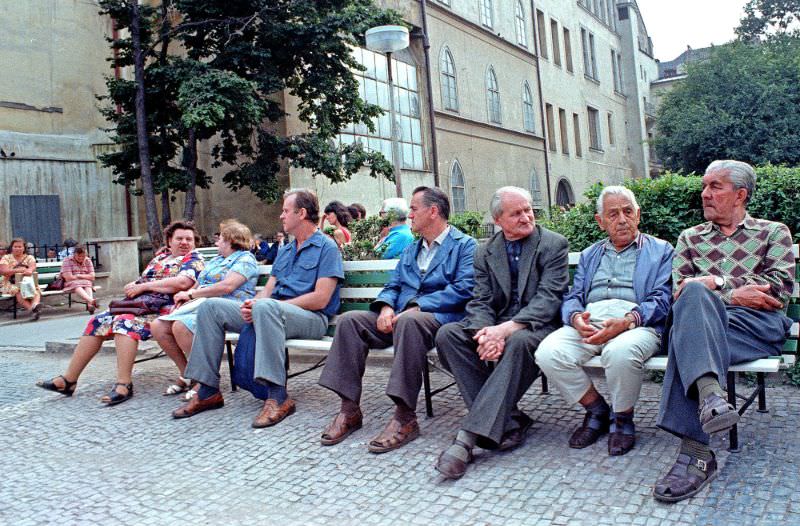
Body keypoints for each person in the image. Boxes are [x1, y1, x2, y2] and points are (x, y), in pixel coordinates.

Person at [652, 160, 794, 502]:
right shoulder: (690, 237)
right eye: (704, 186)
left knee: (691, 334)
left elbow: (778, 290)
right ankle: (710, 402)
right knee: (695, 301)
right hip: (699, 320)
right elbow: (680, 291)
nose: (705, 194)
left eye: (715, 186)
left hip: (754, 327)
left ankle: (698, 444)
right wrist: (733, 294)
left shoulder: (774, 233)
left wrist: (718, 283)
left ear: (740, 194)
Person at [318, 186, 477, 452]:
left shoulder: (465, 246)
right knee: (350, 322)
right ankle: (349, 410)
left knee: (410, 322)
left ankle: (405, 417)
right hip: (400, 318)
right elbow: (393, 285)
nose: (410, 216)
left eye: (414, 209)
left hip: (439, 318)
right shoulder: (412, 249)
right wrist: (385, 308)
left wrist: (417, 306)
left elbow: (464, 289)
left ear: (433, 211)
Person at [172, 189, 343, 428]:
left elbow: (321, 299)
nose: (281, 216)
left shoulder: (327, 247)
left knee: (265, 308)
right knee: (211, 308)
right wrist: (252, 304)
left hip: (311, 319)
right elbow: (268, 289)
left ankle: (278, 396)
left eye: (285, 211)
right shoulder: (285, 251)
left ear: (301, 213)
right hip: (272, 312)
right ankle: (208, 390)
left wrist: (267, 306)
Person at [433, 186, 569, 480]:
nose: (526, 217)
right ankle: (510, 420)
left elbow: (549, 299)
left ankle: (466, 439)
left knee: (518, 341)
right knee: (448, 334)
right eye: (516, 213)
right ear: (498, 220)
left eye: (528, 210)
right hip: (497, 325)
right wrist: (485, 335)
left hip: (537, 327)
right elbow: (480, 300)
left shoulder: (553, 245)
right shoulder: (485, 252)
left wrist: (504, 330)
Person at [535, 186, 674, 456]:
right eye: (613, 214)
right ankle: (597, 411)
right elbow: (574, 295)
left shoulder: (661, 250)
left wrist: (627, 321)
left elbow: (663, 298)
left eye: (627, 211)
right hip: (591, 319)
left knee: (619, 352)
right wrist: (576, 318)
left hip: (637, 323)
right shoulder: (590, 254)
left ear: (638, 215)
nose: (622, 219)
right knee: (548, 353)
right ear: (601, 222)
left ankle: (622, 421)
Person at [35, 221, 204, 405]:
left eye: (189, 239)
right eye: (179, 238)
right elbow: (143, 279)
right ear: (169, 241)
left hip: (165, 310)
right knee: (98, 321)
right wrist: (133, 285)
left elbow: (182, 283)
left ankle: (124, 384)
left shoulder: (193, 259)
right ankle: (69, 380)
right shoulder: (160, 259)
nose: (185, 242)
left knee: (124, 323)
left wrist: (143, 287)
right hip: (141, 306)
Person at [151, 220, 259, 396]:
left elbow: (227, 287)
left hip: (229, 309)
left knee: (181, 325)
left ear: (231, 240)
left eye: (220, 238)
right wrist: (186, 296)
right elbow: (199, 284)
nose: (216, 242)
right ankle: (187, 373)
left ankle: (205, 380)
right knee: (158, 326)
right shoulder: (216, 260)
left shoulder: (245, 259)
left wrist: (192, 295)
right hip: (201, 305)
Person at [0, 238, 43, 319]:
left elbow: (32, 266)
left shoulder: (29, 257)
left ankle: (35, 305)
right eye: (15, 246)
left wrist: (29, 270)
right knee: (18, 290)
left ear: (24, 248)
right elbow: (3, 271)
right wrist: (19, 270)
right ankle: (33, 310)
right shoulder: (6, 258)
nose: (17, 248)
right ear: (11, 247)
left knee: (36, 288)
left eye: (20, 247)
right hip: (8, 282)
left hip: (26, 281)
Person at [61, 246, 98, 314]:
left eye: (83, 256)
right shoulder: (67, 260)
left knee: (88, 283)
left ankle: (90, 305)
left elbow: (92, 276)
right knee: (77, 284)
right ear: (74, 254)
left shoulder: (87, 260)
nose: (81, 258)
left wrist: (78, 276)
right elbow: (68, 277)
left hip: (84, 282)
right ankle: (91, 301)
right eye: (79, 256)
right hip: (69, 283)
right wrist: (85, 276)